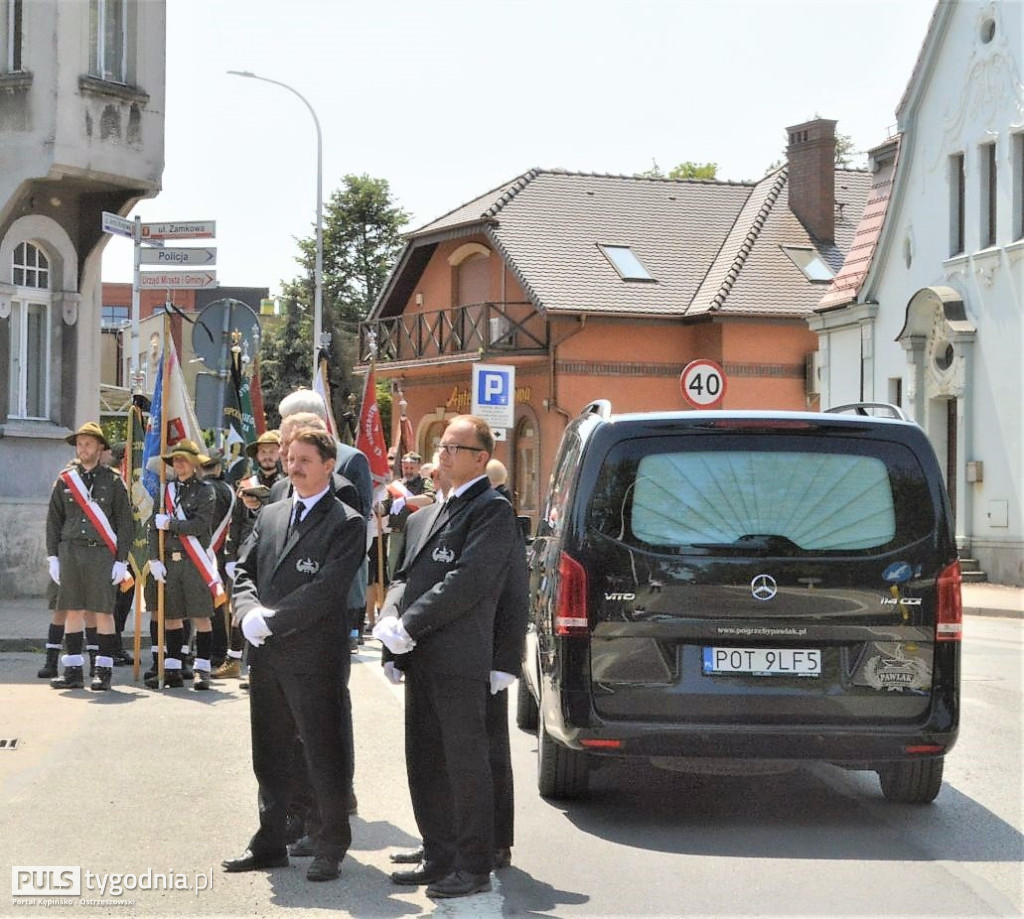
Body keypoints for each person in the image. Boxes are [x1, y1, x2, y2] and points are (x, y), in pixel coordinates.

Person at [374, 415, 521, 899]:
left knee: (464, 762)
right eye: (441, 445)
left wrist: (409, 624)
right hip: (422, 656)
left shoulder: (490, 510)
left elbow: (467, 582)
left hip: (460, 657)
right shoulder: (430, 512)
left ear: (482, 457)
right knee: (426, 760)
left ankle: (474, 864)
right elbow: (404, 575)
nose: (443, 453)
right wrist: (393, 624)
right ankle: (438, 853)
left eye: (454, 447)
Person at [223, 428, 366, 883]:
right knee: (269, 751)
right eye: (291, 459)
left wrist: (272, 620)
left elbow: (325, 591)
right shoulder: (271, 513)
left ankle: (329, 845)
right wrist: (245, 611)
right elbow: (243, 570)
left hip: (312, 656)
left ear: (328, 465)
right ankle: (269, 841)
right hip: (266, 655)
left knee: (322, 753)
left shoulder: (345, 522)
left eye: (306, 459)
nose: (295, 467)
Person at [45, 422, 134, 691]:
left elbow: (124, 523)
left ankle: (103, 671)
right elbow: (54, 521)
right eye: (80, 444)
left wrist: (121, 560)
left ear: (99, 448)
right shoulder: (65, 480)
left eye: (89, 444)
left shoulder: (113, 481)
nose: (83, 449)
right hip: (70, 551)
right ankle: (72, 671)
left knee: (103, 611)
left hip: (101, 553)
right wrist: (53, 557)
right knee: (72, 609)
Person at [145, 440, 220, 690]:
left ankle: (202, 670)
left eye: (184, 460)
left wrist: (172, 525)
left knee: (200, 617)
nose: (179, 464)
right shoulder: (165, 491)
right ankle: (173, 669)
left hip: (193, 561)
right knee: (172, 618)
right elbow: (152, 527)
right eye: (175, 460)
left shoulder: (205, 491)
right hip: (169, 562)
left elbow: (200, 526)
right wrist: (154, 558)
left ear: (194, 464)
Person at [216, 430, 284, 680]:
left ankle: (259, 667)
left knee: (269, 609)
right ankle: (233, 660)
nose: (267, 456)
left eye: (271, 451)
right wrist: (230, 557)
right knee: (240, 610)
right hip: (246, 554)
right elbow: (234, 523)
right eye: (263, 452)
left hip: (275, 553)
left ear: (279, 453)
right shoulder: (245, 484)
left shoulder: (286, 484)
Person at [383, 451, 436, 579]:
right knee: (393, 568)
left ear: (418, 468)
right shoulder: (396, 486)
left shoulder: (425, 482)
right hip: (397, 533)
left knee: (413, 568)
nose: (408, 471)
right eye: (406, 467)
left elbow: (429, 499)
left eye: (412, 468)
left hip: (416, 533)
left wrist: (406, 500)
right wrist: (377, 507)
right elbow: (385, 507)